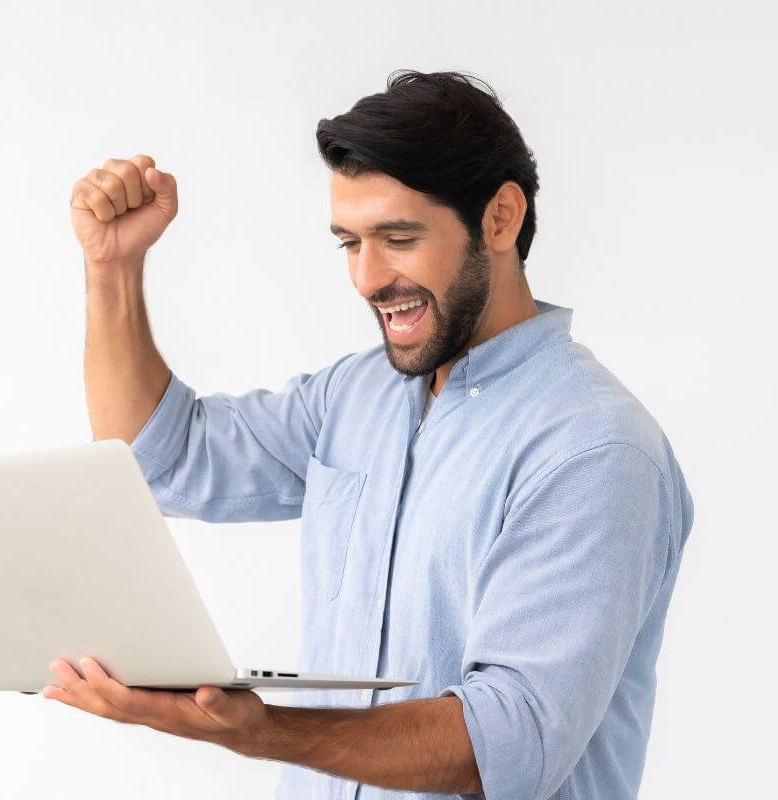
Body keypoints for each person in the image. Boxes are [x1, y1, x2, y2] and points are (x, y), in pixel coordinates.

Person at [44, 69, 694, 800]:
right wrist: (113, 267)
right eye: (349, 242)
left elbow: (507, 742)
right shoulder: (358, 396)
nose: (366, 277)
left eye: (398, 237)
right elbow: (163, 459)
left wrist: (259, 731)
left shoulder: (593, 450)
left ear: (501, 218)